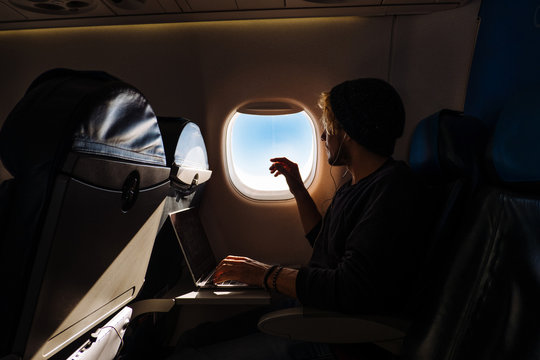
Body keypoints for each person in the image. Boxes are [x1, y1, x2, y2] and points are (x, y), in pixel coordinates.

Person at [168, 78, 428, 359]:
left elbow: (350, 288)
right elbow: (324, 243)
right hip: (319, 312)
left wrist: (263, 274)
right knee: (194, 337)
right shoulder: (355, 185)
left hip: (340, 335)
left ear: (349, 132)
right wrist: (298, 189)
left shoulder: (392, 190)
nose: (323, 137)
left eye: (329, 127)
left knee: (190, 356)